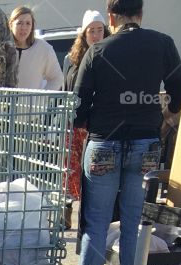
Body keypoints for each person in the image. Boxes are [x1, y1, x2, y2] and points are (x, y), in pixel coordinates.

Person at [64, 0, 181, 265]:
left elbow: (78, 107)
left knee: (97, 221)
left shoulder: (98, 50)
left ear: (111, 16)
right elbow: (180, 87)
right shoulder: (163, 43)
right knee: (134, 220)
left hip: (104, 143)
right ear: (141, 14)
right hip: (146, 143)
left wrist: (91, 124)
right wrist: (166, 115)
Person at [63, 11, 109, 224]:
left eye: (100, 30)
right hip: (73, 121)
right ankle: (66, 208)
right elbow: (65, 88)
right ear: (84, 33)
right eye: (92, 30)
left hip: (96, 124)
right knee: (69, 169)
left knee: (92, 171)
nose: (96, 35)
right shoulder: (71, 59)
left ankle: (87, 215)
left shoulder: (109, 55)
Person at [9, 6, 64, 91]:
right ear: (11, 24)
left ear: (32, 27)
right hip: (1, 102)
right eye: (19, 23)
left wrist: (42, 98)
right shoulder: (1, 48)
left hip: (30, 103)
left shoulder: (43, 48)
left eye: (28, 23)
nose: (24, 28)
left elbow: (57, 78)